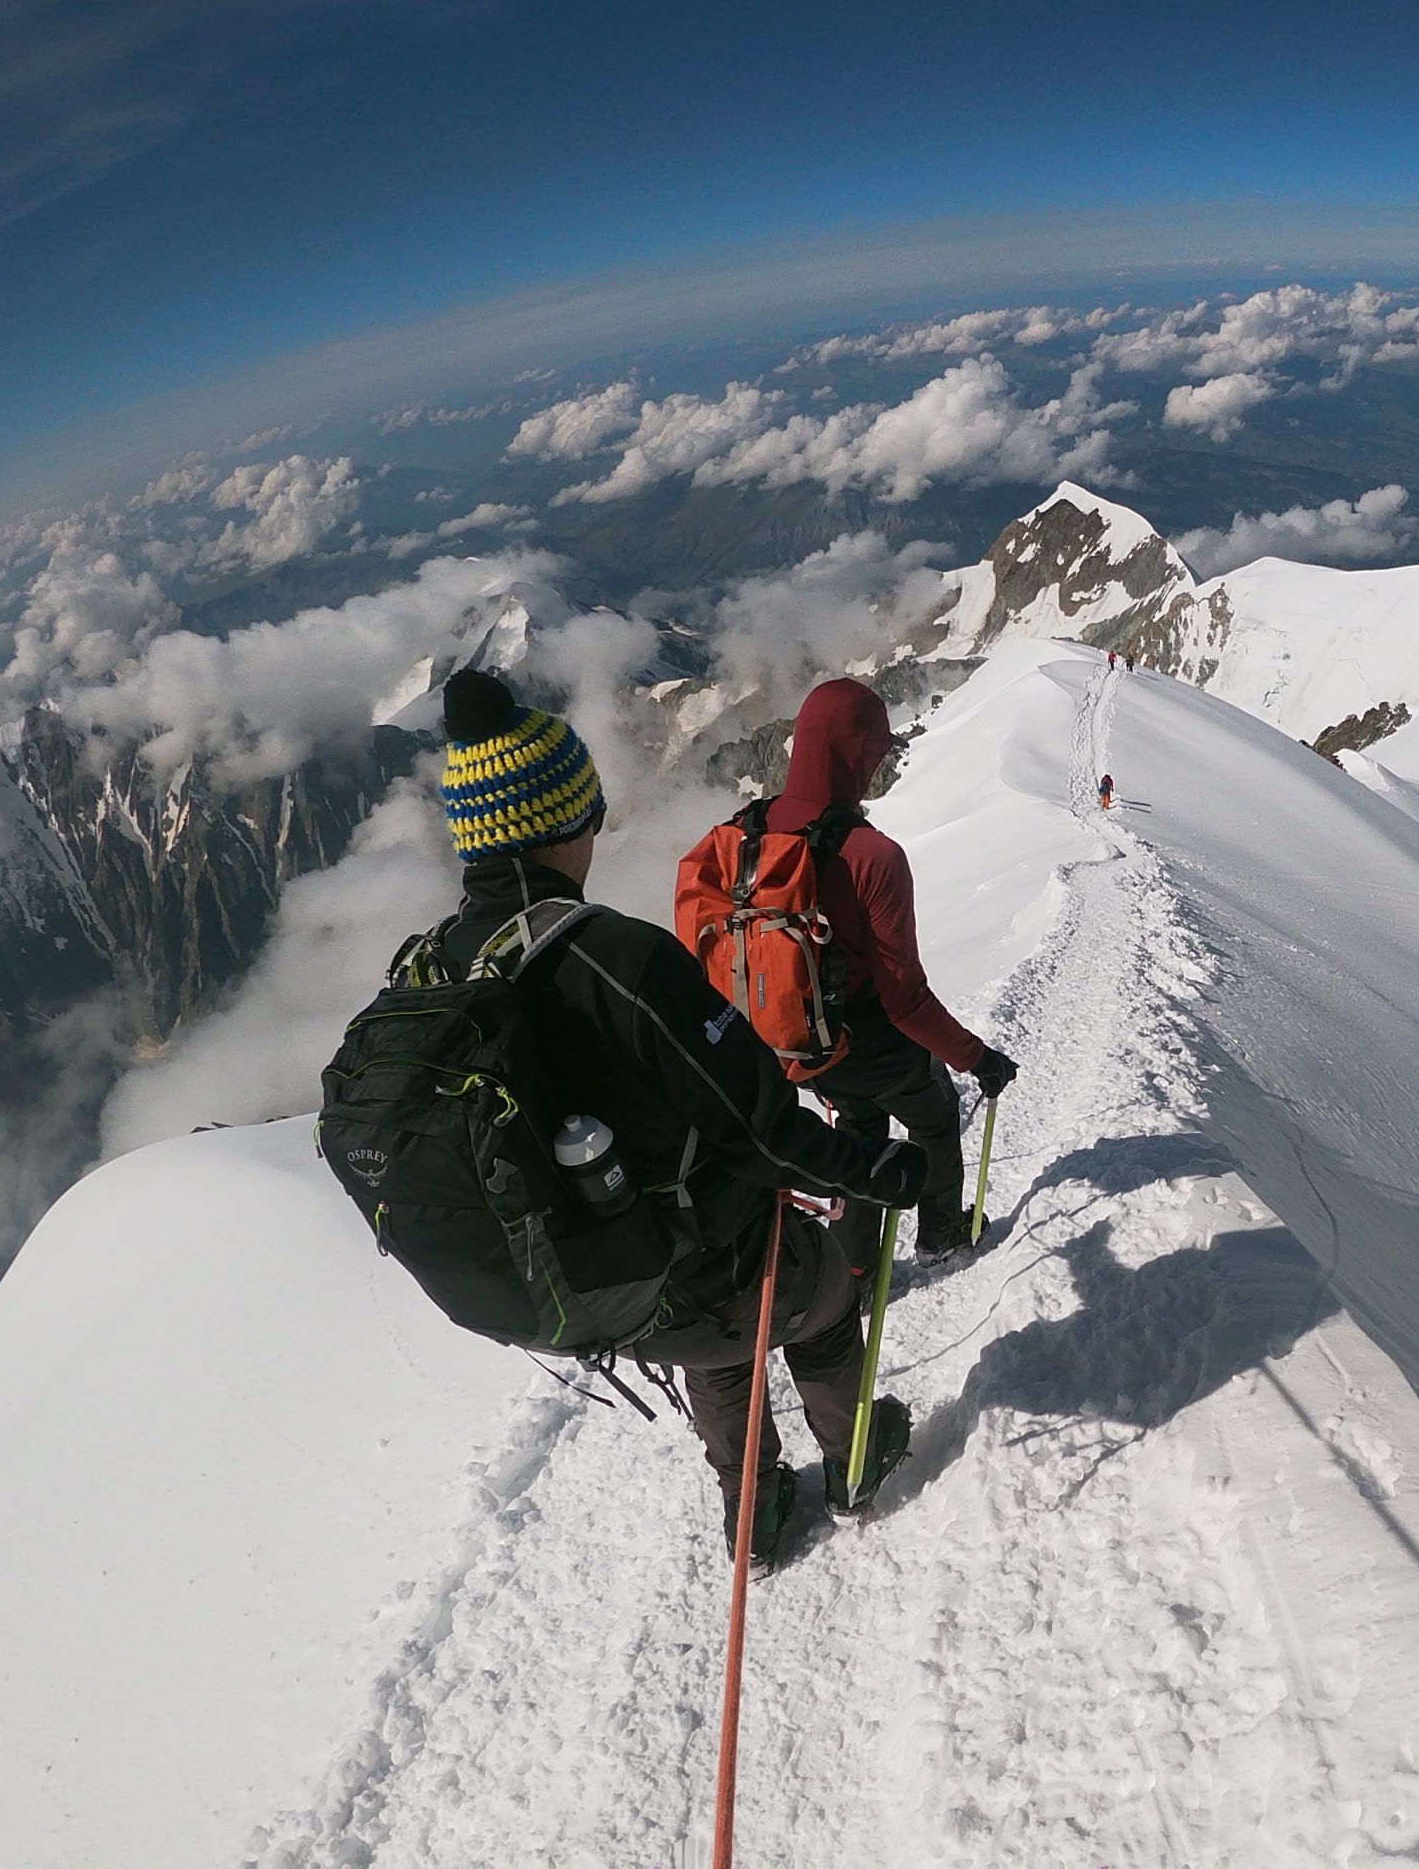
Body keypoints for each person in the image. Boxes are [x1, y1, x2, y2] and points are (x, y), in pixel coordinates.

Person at [434, 668, 923, 1560]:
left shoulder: (435, 968)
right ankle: (852, 1460)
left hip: (593, 1282)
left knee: (714, 1344)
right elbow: (764, 1124)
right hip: (706, 1254)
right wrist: (875, 1171)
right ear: (569, 816)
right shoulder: (619, 958)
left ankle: (754, 1509)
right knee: (817, 1297)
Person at [767, 678, 1018, 1268]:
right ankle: (941, 1234)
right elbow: (904, 1000)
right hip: (873, 1046)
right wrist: (977, 1058)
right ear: (858, 755)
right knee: (932, 1117)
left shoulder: (746, 834)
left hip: (792, 1046)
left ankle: (852, 1270)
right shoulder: (871, 857)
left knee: (860, 1138)